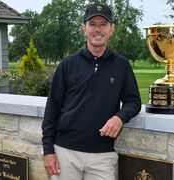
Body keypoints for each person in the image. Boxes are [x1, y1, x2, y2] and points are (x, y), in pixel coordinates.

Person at [42, 3, 141, 180]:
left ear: (112, 29)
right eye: (93, 24)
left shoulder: (121, 65)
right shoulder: (68, 64)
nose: (98, 30)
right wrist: (48, 151)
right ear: (84, 28)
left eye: (103, 25)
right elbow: (52, 109)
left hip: (102, 155)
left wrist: (119, 117)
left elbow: (133, 102)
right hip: (65, 152)